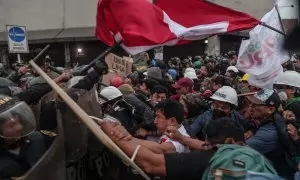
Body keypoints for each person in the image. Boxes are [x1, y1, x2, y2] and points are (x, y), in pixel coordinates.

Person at [99, 117, 278, 180]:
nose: (206, 147)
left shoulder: (214, 159)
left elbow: (151, 164)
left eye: (209, 144)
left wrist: (115, 137)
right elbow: (200, 145)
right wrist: (182, 138)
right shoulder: (257, 157)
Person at [246, 89, 298, 179]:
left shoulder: (268, 134)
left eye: (255, 105)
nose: (250, 108)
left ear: (270, 110)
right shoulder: (276, 119)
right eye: (250, 104)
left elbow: (237, 149)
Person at [0, 95, 47, 179]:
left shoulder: (37, 138)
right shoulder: (5, 167)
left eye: (17, 119)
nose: (19, 127)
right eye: (11, 126)